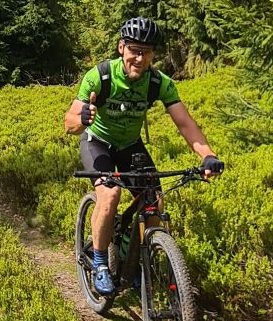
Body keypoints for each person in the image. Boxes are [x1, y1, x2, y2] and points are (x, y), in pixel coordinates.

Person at [63, 17, 222, 294]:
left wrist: (207, 155)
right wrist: (83, 119)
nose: (139, 58)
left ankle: (134, 258)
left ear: (153, 55)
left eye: (146, 52)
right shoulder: (100, 76)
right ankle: (100, 263)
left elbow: (185, 123)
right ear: (121, 47)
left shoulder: (158, 82)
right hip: (97, 142)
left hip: (130, 145)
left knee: (154, 200)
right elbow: (69, 124)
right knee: (109, 194)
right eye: (134, 50)